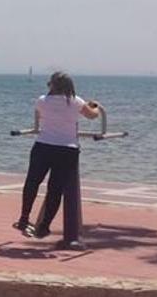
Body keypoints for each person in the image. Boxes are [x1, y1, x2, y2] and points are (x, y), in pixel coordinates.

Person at [14, 72, 100, 239]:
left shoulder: (41, 101)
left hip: (43, 146)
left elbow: (41, 115)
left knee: (32, 182)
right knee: (55, 189)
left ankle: (24, 218)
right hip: (67, 149)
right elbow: (92, 115)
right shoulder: (76, 101)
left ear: (52, 85)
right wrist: (96, 106)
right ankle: (44, 226)